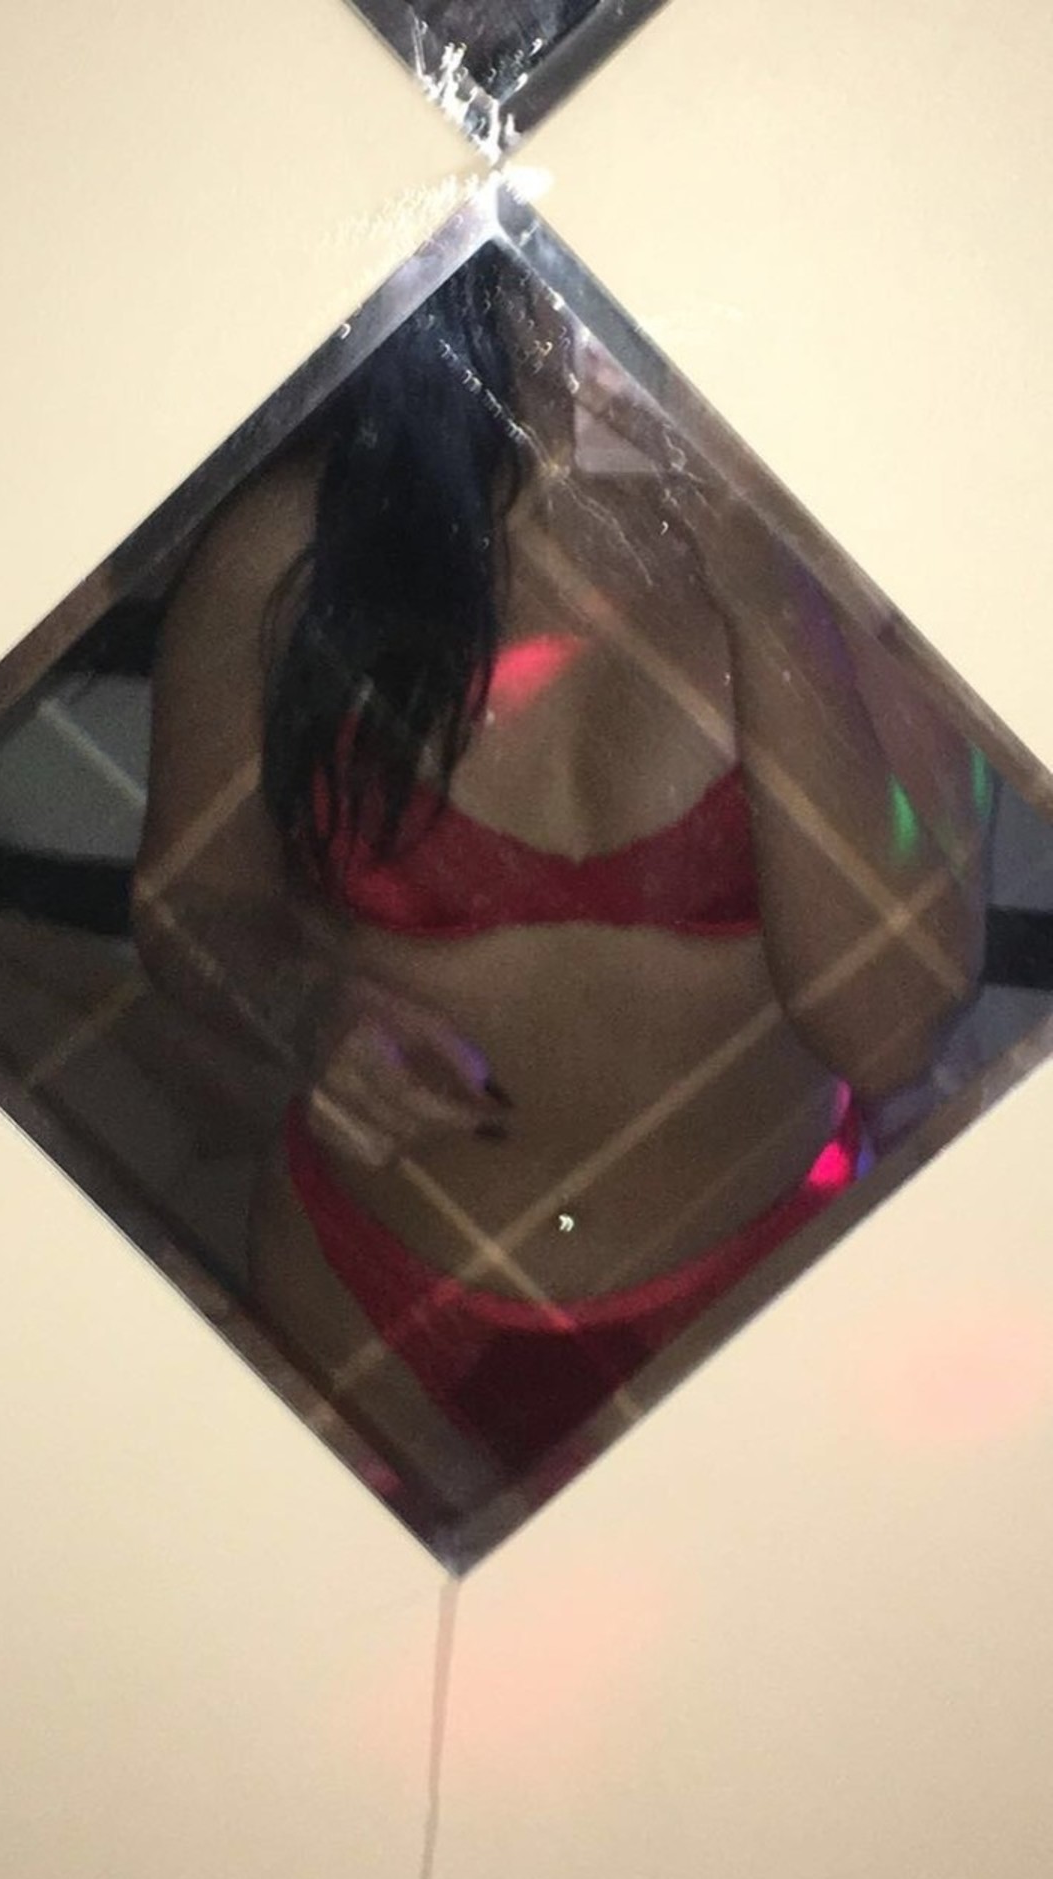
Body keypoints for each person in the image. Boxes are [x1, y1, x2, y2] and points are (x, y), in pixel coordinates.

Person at [132, 244, 988, 1515]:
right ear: (494, 268)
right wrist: (302, 1008)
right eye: (581, 263)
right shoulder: (292, 549)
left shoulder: (869, 566)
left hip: (755, 1305)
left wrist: (767, 590)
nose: (627, 309)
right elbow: (187, 907)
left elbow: (892, 1032)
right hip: (364, 1300)